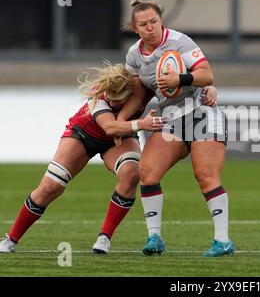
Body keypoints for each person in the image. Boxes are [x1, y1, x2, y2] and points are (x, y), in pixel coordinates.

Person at [0, 63, 166, 254]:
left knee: (131, 173)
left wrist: (206, 92)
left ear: (131, 92)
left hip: (119, 138)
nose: (112, 104)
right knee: (50, 187)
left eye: (117, 101)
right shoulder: (99, 95)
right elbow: (110, 128)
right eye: (110, 100)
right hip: (84, 134)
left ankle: (104, 238)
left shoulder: (143, 88)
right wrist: (141, 123)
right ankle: (10, 240)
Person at [116, 0, 235, 257]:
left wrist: (180, 78)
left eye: (154, 22)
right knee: (147, 173)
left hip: (202, 111)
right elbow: (138, 95)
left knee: (205, 177)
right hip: (171, 117)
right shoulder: (134, 54)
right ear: (135, 28)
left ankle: (223, 240)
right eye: (144, 24)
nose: (150, 28)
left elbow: (206, 74)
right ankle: (155, 237)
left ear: (161, 21)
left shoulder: (180, 42)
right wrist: (121, 122)